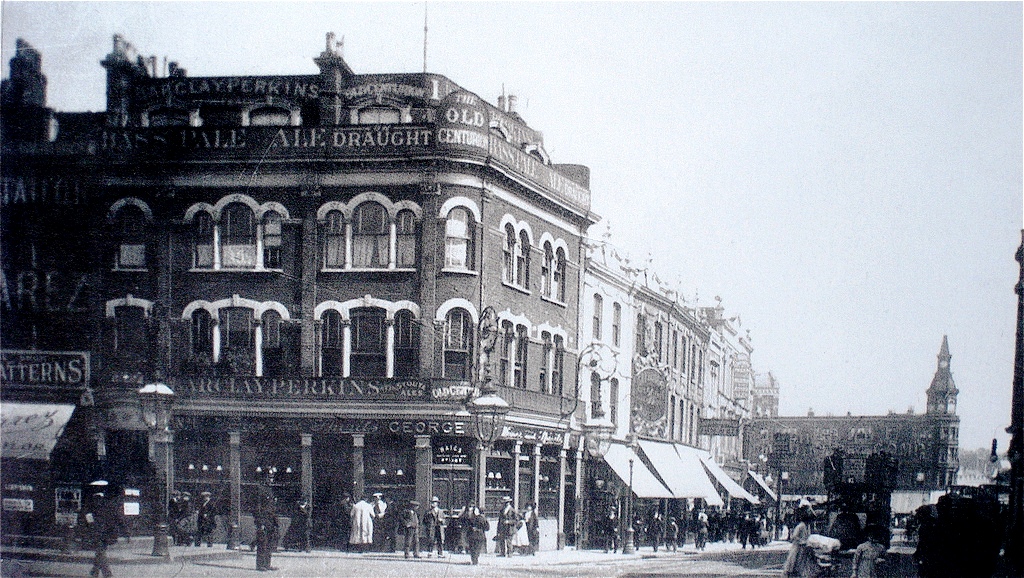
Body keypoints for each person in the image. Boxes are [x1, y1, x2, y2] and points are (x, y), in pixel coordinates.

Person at [80, 482, 117, 578]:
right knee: (101, 552)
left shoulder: (91, 502)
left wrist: (89, 527)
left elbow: (87, 516)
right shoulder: (107, 502)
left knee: (100, 552)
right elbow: (114, 517)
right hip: (106, 532)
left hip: (97, 532)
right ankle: (102, 572)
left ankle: (98, 572)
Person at [253, 473, 279, 571]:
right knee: (262, 543)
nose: (271, 480)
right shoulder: (260, 490)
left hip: (271, 521)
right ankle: (260, 565)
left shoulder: (270, 490)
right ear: (265, 478)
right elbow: (257, 508)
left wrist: (275, 522)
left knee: (269, 544)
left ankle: (267, 564)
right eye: (269, 478)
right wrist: (260, 523)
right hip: (263, 520)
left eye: (272, 478)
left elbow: (273, 508)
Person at [782, 507, 813, 578]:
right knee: (794, 561)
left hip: (802, 546)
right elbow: (794, 536)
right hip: (798, 547)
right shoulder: (801, 526)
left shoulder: (805, 526)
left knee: (800, 561)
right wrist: (801, 541)